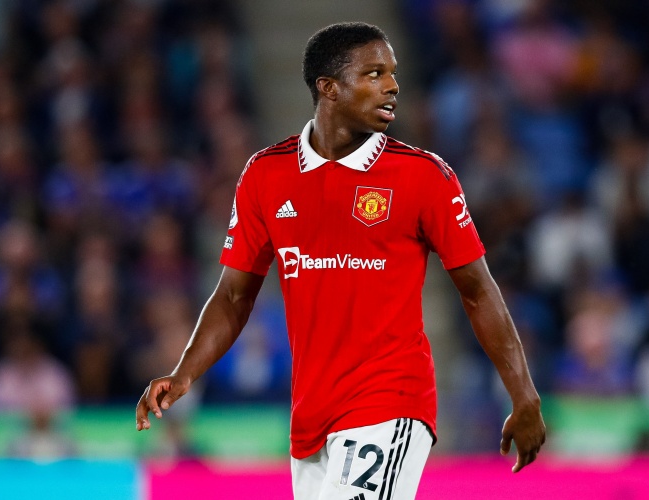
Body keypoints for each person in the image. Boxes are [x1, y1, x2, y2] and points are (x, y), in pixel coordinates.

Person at [136, 22, 545, 499]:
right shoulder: (266, 175)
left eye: (393, 73)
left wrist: (523, 393)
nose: (392, 86)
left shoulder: (423, 176)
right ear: (328, 88)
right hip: (310, 418)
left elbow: (477, 289)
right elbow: (232, 295)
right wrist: (184, 372)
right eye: (374, 74)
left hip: (390, 402)